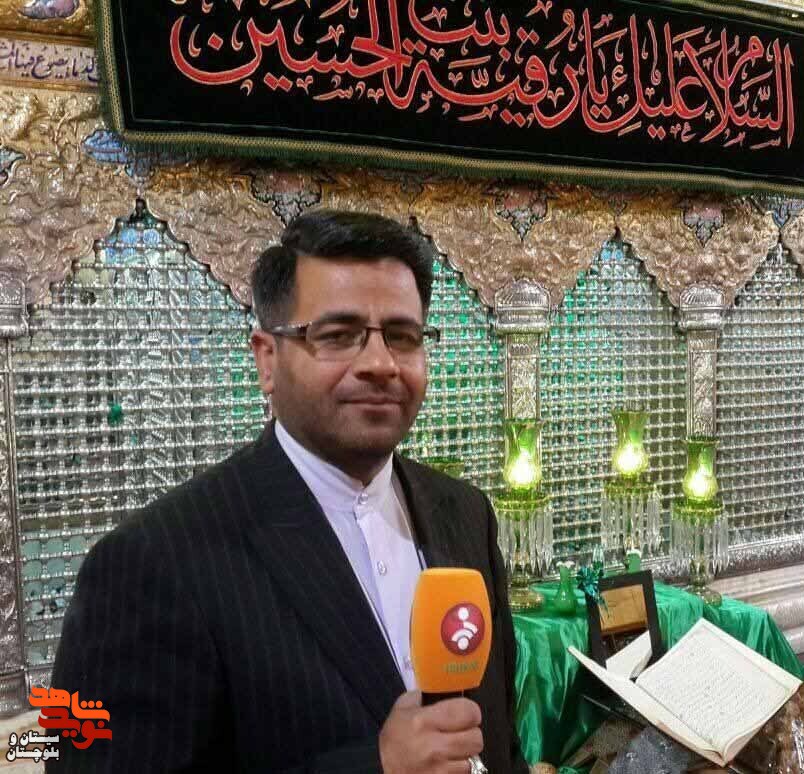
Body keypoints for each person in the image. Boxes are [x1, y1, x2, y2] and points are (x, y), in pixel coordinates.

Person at [48, 210, 529, 774]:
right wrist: (376, 766)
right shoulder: (150, 562)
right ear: (267, 359)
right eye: (338, 335)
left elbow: (500, 746)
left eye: (403, 337)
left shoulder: (465, 513)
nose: (380, 364)